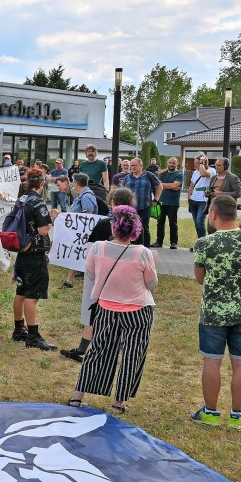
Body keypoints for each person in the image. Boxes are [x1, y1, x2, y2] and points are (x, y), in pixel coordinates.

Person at [66, 205, 158, 414]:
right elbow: (152, 284)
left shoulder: (98, 248)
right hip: (138, 310)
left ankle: (77, 397)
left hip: (107, 307)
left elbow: (90, 274)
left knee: (97, 351)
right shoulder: (143, 253)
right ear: (135, 230)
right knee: (132, 354)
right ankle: (119, 402)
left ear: (114, 228)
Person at [191, 196, 241, 429]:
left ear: (213, 214)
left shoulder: (205, 244)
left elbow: (199, 279)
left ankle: (211, 413)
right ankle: (237, 415)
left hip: (213, 313)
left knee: (212, 362)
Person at [61, 187, 136, 361]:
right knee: (123, 313)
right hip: (126, 277)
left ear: (112, 203)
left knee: (93, 312)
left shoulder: (104, 224)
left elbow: (89, 253)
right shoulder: (136, 225)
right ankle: (120, 352)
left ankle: (82, 349)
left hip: (102, 277)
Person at [12, 171, 57, 350]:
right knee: (32, 296)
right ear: (41, 184)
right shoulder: (38, 202)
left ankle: (18, 328)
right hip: (34, 252)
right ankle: (33, 335)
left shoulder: (21, 199)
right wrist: (52, 217)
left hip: (22, 251)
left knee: (21, 291)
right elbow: (44, 230)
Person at [58, 173, 100, 290]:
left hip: (84, 233)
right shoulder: (82, 195)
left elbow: (88, 215)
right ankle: (69, 281)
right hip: (80, 232)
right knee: (77, 255)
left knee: (79, 255)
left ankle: (72, 281)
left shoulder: (86, 196)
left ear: (76, 184)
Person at [122, 158, 160, 248]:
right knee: (129, 228)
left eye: (135, 165)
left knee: (144, 229)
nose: (133, 167)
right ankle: (130, 247)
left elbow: (159, 186)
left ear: (141, 166)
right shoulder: (127, 178)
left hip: (145, 206)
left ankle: (145, 249)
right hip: (130, 208)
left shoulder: (149, 175)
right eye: (131, 166)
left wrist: (156, 199)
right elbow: (122, 190)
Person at [155, 157, 183, 250]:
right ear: (168, 163)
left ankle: (174, 242)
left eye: (173, 163)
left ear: (177, 164)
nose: (171, 164)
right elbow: (157, 185)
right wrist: (170, 186)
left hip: (173, 202)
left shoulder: (179, 174)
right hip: (161, 201)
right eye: (170, 162)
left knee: (172, 223)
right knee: (160, 222)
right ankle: (159, 242)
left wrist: (163, 185)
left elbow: (175, 186)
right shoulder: (162, 174)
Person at [188, 154, 212, 238]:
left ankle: (203, 243)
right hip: (193, 200)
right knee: (196, 223)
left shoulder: (211, 170)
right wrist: (189, 198)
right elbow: (191, 186)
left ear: (204, 163)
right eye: (195, 163)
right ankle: (199, 241)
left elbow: (203, 174)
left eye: (197, 163)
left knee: (199, 221)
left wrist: (202, 163)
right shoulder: (195, 172)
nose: (195, 165)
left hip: (203, 201)